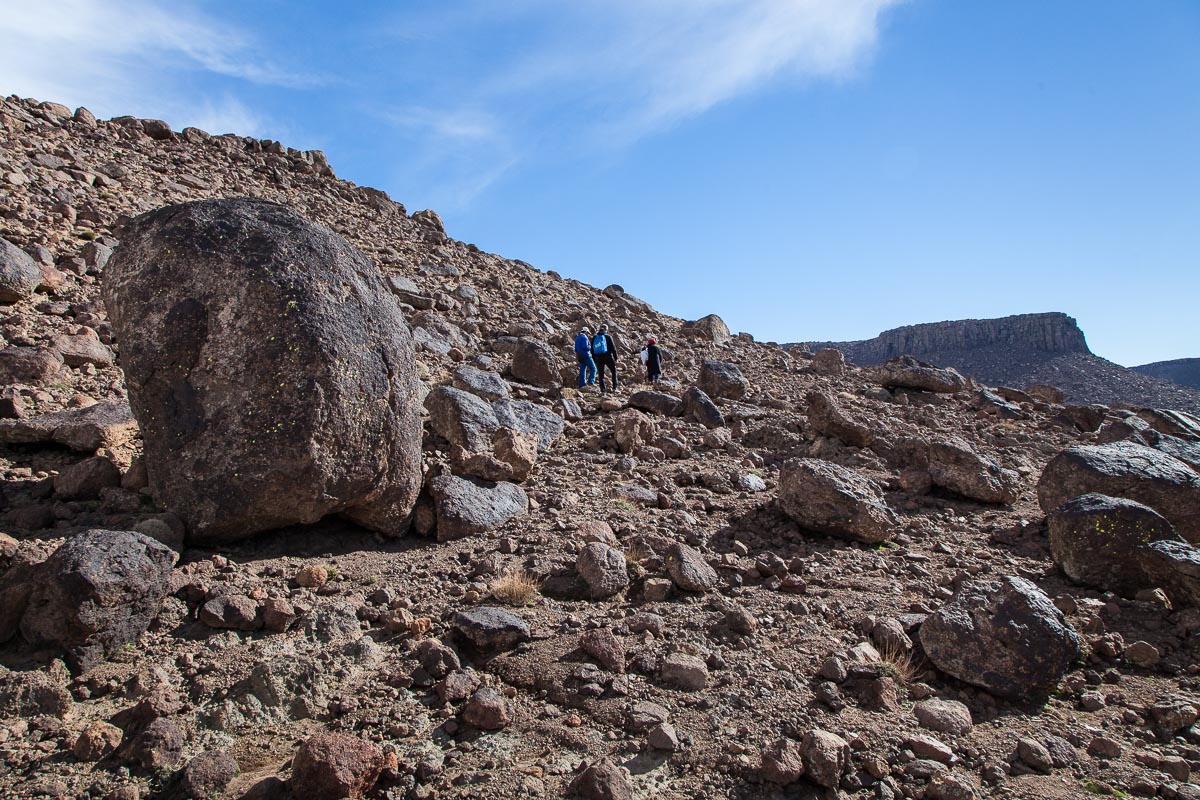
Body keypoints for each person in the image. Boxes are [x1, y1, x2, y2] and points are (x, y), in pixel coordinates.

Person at [592, 324, 619, 393]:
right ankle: (615, 388)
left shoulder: (595, 337)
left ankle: (603, 391)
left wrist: (594, 359)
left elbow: (592, 350)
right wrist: (616, 358)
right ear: (606, 329)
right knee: (614, 371)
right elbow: (613, 348)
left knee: (601, 375)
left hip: (598, 358)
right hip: (608, 357)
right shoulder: (608, 337)